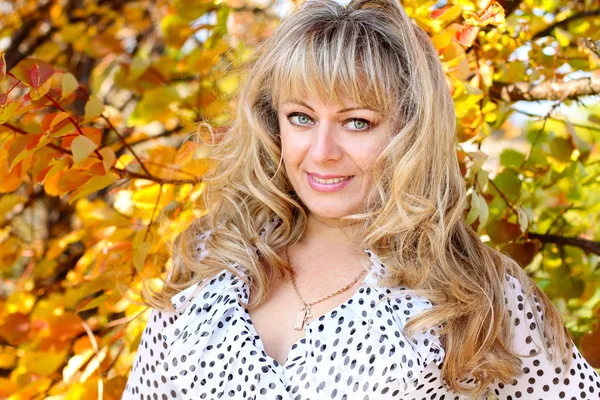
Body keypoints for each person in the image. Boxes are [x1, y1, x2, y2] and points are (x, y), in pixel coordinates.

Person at [122, 0, 600, 399]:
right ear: (274, 125)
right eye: (301, 118)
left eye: (357, 122)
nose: (323, 152)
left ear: (410, 131)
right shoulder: (210, 260)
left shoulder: (474, 292)